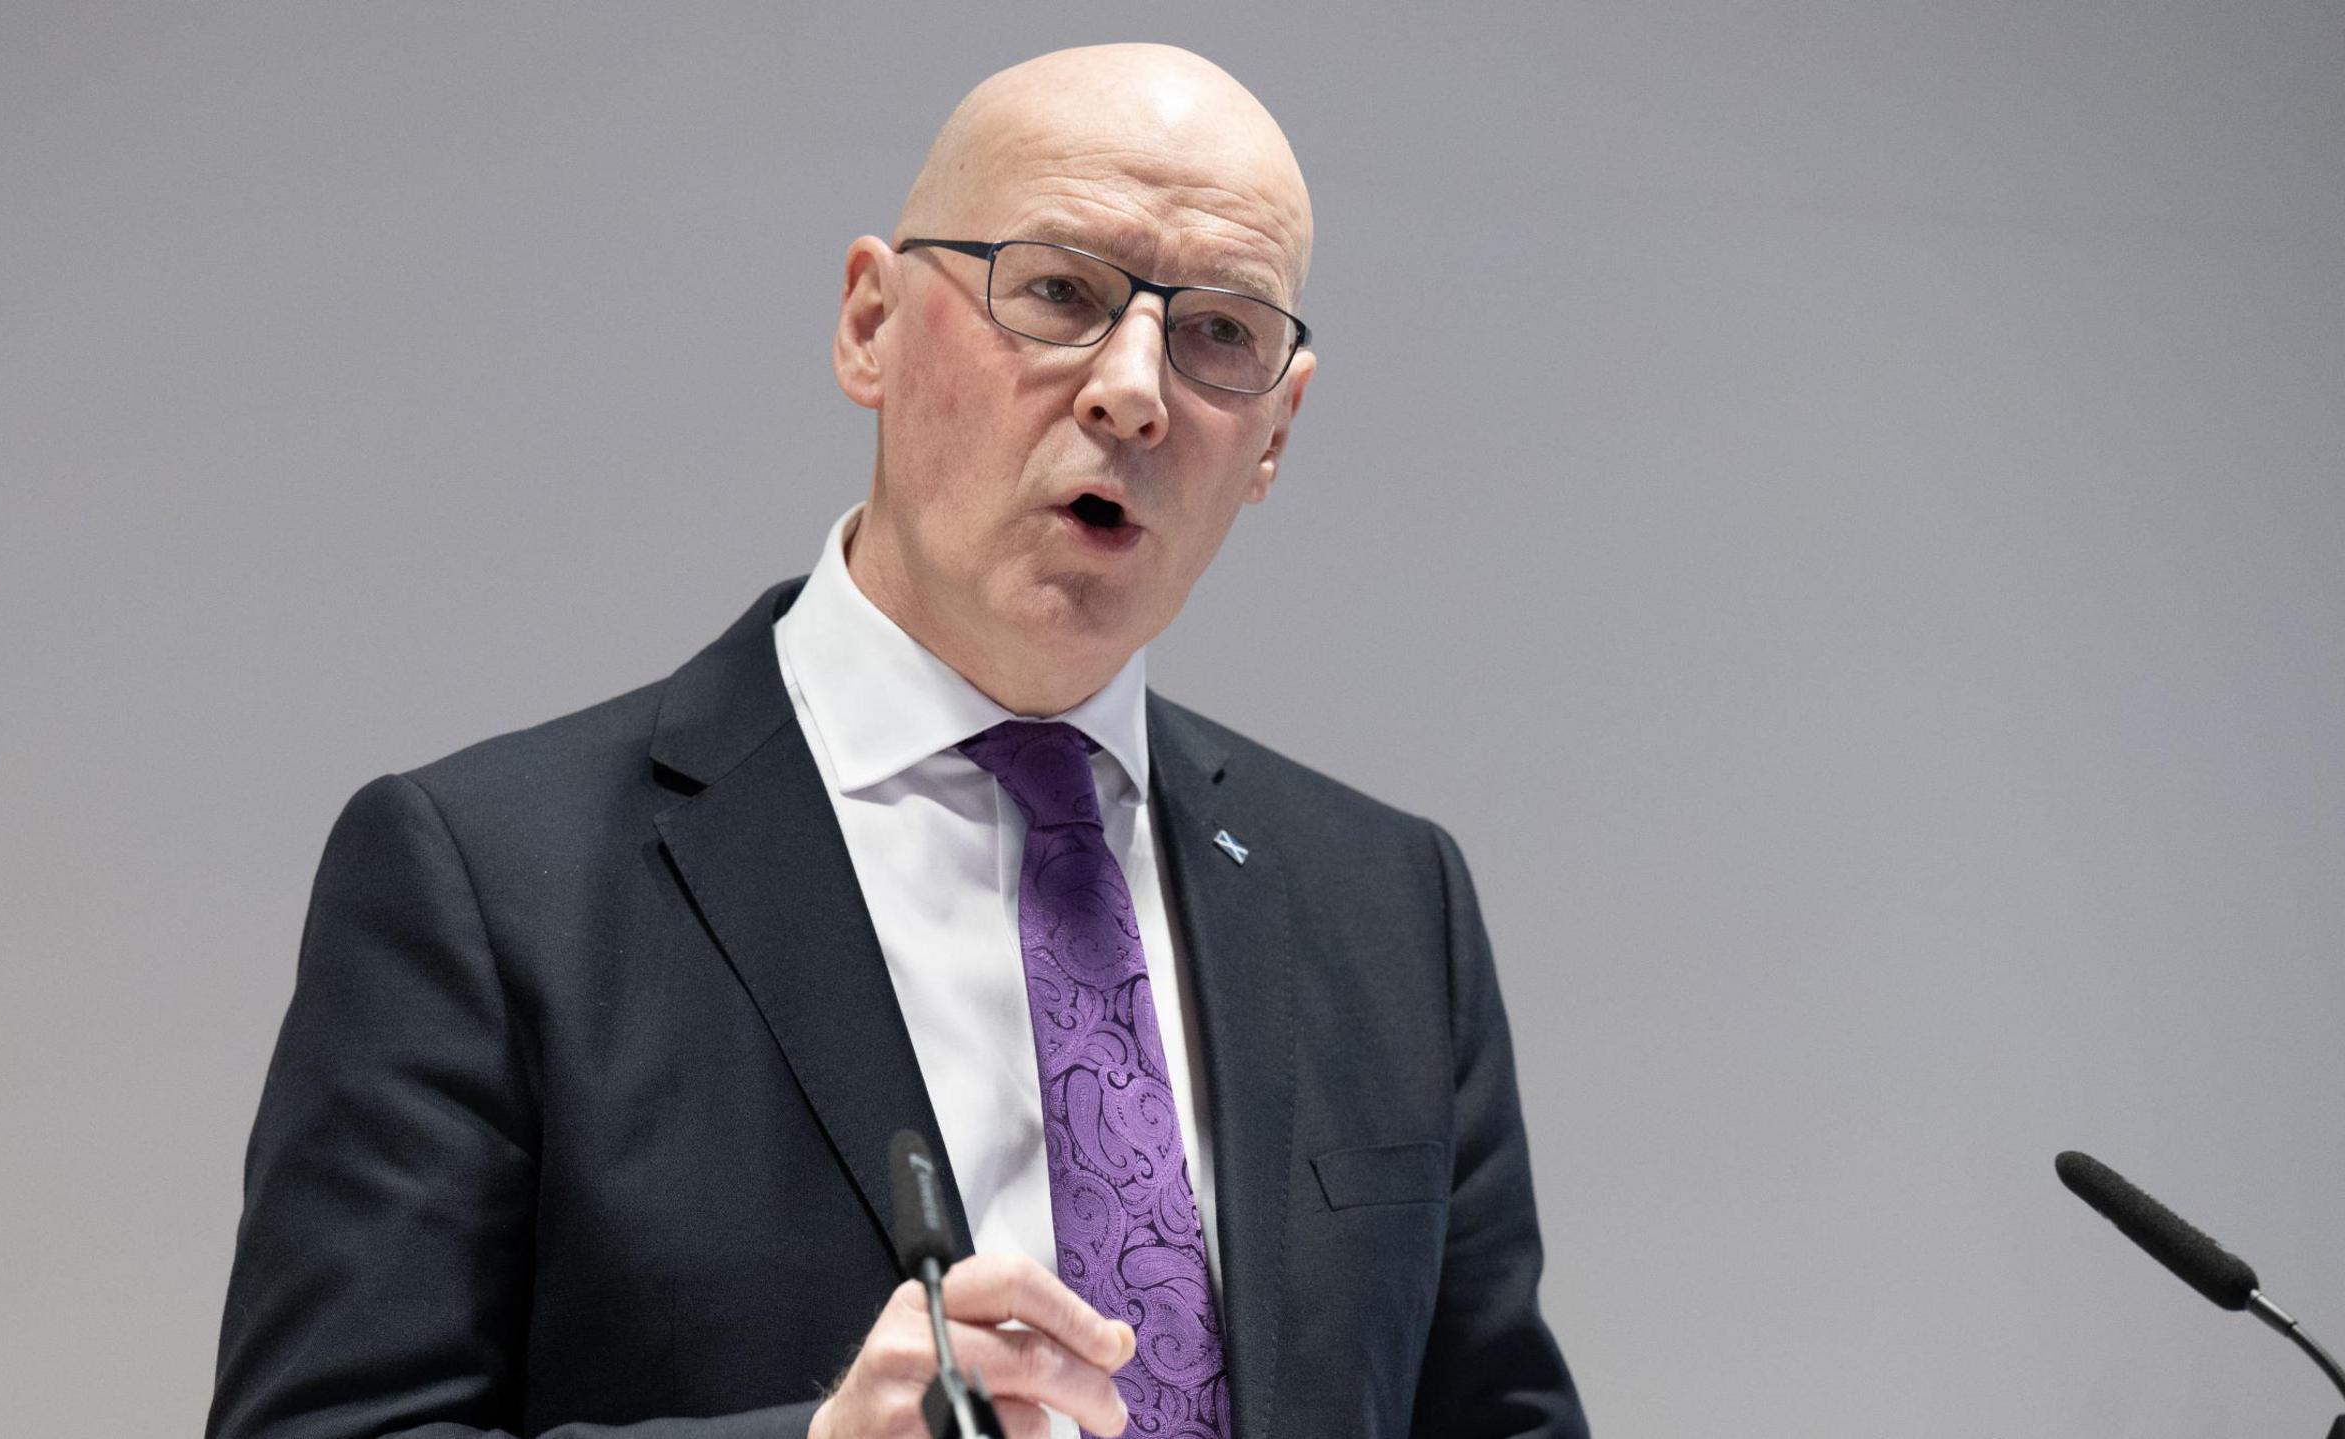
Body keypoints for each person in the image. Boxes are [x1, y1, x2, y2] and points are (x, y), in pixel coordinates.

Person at [208, 42, 1589, 1439]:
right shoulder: (490, 885)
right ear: (872, 323)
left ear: (1277, 432)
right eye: (1057, 291)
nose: (1134, 390)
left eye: (1219, 333)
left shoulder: (1385, 904)